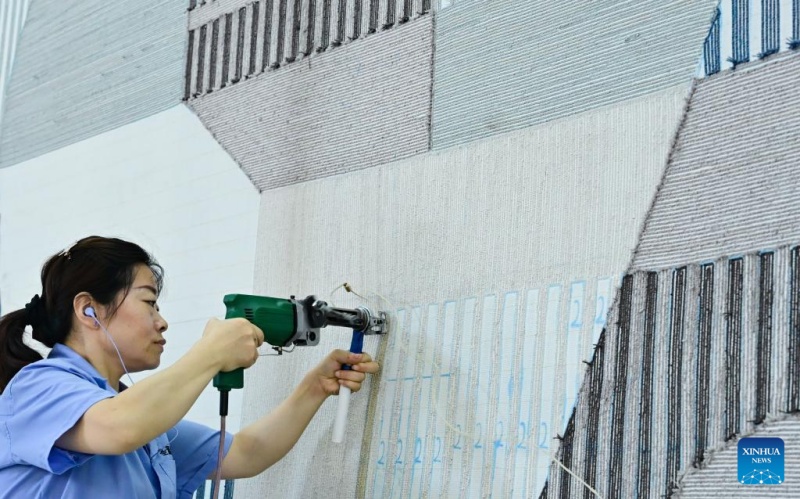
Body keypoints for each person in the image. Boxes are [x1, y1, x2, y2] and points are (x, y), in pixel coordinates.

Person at [0, 236, 379, 498]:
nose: (162, 322)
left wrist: (315, 387)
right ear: (89, 310)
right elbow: (118, 427)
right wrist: (210, 353)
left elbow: (246, 452)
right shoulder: (37, 389)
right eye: (149, 302)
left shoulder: (148, 427)